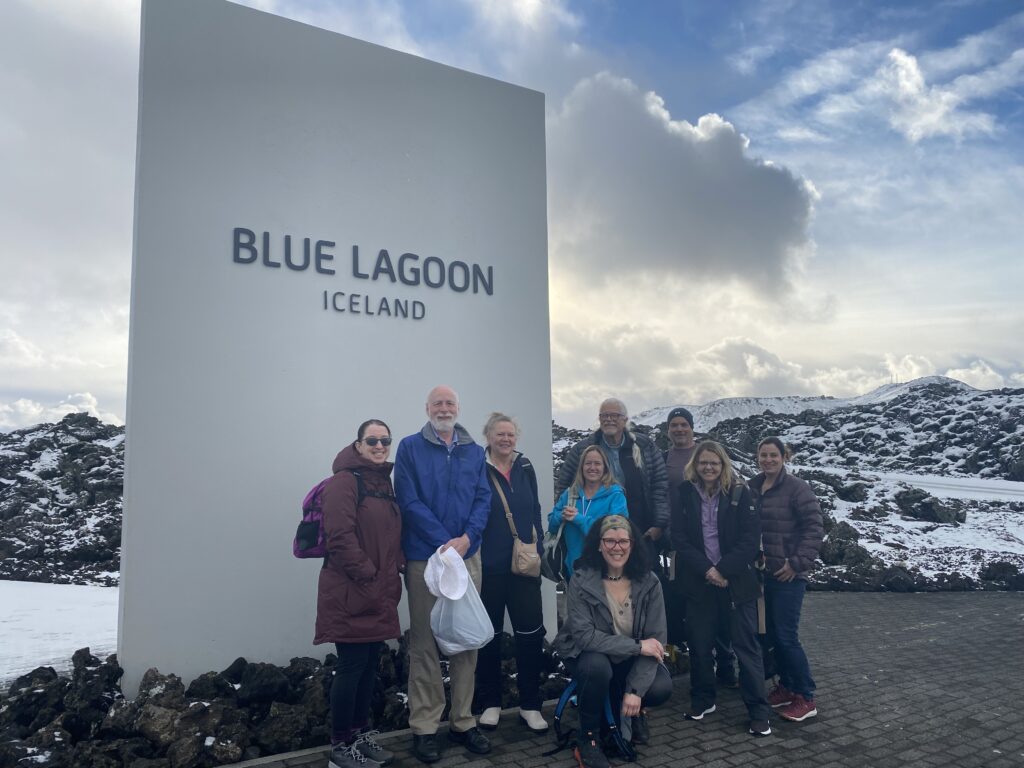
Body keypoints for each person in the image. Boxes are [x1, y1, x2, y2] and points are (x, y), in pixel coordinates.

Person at [394, 386, 492, 763]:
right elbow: (408, 499)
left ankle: (464, 721)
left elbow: (483, 499)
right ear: (427, 409)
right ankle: (424, 727)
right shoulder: (409, 447)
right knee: (424, 643)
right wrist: (444, 543)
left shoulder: (473, 451)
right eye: (438, 403)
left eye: (450, 403)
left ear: (458, 408)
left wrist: (467, 539)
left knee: (466, 639)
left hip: (467, 557)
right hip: (425, 558)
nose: (444, 408)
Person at [314, 419, 403, 768]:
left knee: (369, 666)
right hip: (351, 590)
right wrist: (368, 574)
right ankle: (339, 747)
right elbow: (339, 536)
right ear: (359, 444)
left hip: (378, 590)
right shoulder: (343, 482)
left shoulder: (382, 484)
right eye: (373, 440)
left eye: (385, 440)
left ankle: (359, 736)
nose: (380, 446)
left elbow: (389, 535)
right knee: (351, 666)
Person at [553, 516, 673, 768]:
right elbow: (585, 637)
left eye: (623, 541)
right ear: (599, 544)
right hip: (588, 653)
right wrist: (638, 647)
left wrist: (635, 691)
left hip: (628, 656)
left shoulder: (650, 582)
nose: (616, 547)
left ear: (632, 544)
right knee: (598, 668)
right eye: (609, 540)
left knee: (660, 686)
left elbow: (656, 639)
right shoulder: (581, 581)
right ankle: (588, 738)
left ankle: (632, 710)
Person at [671, 440, 772, 737]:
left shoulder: (741, 493)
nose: (709, 467)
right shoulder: (685, 493)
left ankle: (758, 711)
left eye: (714, 462)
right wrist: (707, 570)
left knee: (746, 648)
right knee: (700, 646)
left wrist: (723, 570)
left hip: (736, 583)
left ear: (723, 464)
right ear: (695, 465)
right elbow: (679, 538)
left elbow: (750, 540)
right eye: (703, 462)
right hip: (699, 583)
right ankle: (703, 699)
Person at [474, 413, 548, 734]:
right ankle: (491, 703)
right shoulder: (476, 468)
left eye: (510, 434)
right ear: (488, 437)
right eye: (499, 434)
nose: (506, 439)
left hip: (524, 569)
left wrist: (540, 550)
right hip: (489, 568)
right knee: (488, 637)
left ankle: (530, 705)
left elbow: (535, 511)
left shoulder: (526, 467)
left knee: (530, 637)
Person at [748, 437, 824, 723]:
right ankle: (787, 686)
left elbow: (814, 528)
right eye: (763, 455)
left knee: (786, 636)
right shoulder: (753, 488)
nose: (768, 460)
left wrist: (796, 563)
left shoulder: (797, 489)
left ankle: (805, 696)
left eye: (773, 455)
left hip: (789, 576)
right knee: (771, 636)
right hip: (763, 576)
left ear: (784, 457)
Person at [554, 398, 668, 563]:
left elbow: (659, 485)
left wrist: (659, 524)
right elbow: (564, 485)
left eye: (614, 415)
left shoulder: (644, 446)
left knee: (642, 580)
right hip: (594, 536)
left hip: (640, 531)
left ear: (625, 420)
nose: (608, 419)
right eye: (604, 415)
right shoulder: (582, 449)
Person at [549, 445, 628, 580]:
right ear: (581, 467)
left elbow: (615, 533)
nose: (592, 468)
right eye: (588, 463)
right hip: (573, 570)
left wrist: (579, 519)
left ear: (605, 467)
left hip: (605, 570)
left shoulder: (615, 496)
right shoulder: (570, 494)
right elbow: (552, 527)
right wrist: (560, 516)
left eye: (597, 463)